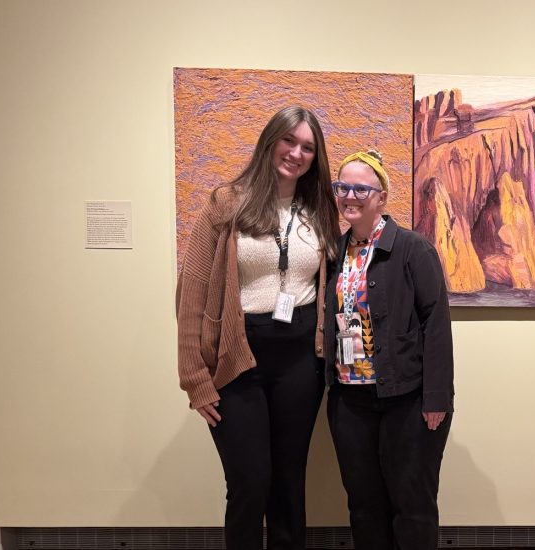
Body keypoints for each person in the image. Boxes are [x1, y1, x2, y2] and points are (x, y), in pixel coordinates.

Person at [176, 106, 340, 550]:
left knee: (288, 485)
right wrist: (195, 379)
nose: (297, 153)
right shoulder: (225, 203)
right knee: (249, 483)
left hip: (301, 361)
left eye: (308, 146)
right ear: (270, 141)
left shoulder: (320, 210)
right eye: (289, 141)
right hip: (237, 357)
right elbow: (191, 292)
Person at [323, 150, 454, 549]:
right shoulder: (332, 253)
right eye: (342, 186)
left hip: (408, 402)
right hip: (350, 402)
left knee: (412, 505)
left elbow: (437, 324)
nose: (350, 195)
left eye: (361, 188)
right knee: (364, 506)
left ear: (381, 197)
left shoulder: (414, 250)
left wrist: (436, 398)